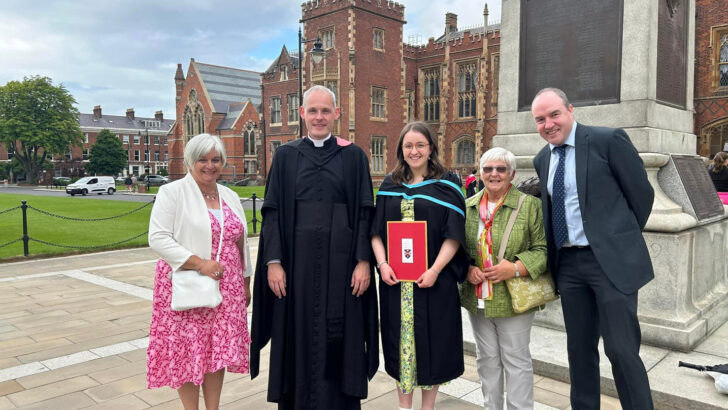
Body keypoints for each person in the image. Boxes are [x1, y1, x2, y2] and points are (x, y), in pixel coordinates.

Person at [250, 85, 379, 409]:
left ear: (337, 114)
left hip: (343, 272)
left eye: (325, 111)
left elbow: (365, 213)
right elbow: (273, 213)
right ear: (303, 114)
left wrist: (364, 261)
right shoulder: (286, 157)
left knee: (342, 340)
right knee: (297, 336)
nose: (319, 117)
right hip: (296, 271)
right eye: (313, 110)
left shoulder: (354, 157)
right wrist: (274, 262)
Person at [532, 88, 655, 409]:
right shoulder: (543, 158)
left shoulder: (608, 141)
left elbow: (641, 196)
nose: (548, 124)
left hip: (610, 264)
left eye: (554, 114)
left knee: (621, 350)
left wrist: (615, 240)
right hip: (570, 266)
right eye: (540, 119)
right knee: (580, 350)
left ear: (570, 110)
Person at [147, 133, 253, 409]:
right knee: (188, 350)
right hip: (187, 282)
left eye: (216, 159)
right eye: (202, 160)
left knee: (216, 350)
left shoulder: (228, 195)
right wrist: (200, 263)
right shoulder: (173, 192)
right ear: (190, 162)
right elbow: (158, 238)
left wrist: (245, 281)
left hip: (225, 286)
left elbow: (241, 242)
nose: (210, 165)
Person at [371, 121, 469, 410]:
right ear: (401, 149)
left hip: (434, 281)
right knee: (401, 344)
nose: (414, 151)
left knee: (434, 344)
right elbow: (375, 231)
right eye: (408, 146)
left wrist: (435, 269)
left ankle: (428, 407)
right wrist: (382, 264)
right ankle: (404, 407)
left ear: (431, 148)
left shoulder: (447, 186)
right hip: (396, 282)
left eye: (420, 145)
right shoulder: (390, 184)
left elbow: (454, 236)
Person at [460, 147, 548, 410]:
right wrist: (466, 268)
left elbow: (543, 250)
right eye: (488, 169)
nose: (494, 174)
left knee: (516, 359)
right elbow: (458, 248)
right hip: (478, 297)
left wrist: (516, 267)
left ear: (512, 174)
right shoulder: (468, 207)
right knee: (486, 358)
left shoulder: (530, 206)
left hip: (513, 298)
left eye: (501, 169)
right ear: (480, 173)